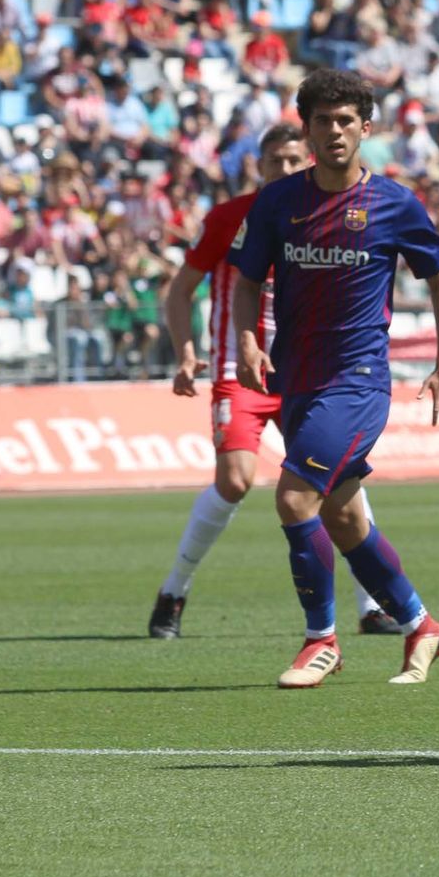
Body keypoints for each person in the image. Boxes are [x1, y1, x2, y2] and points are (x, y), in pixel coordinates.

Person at [230, 69, 439, 688]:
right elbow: (247, 279)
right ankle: (420, 625)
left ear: (366, 127)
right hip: (296, 380)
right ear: (305, 128)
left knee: (293, 497)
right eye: (321, 121)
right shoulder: (278, 202)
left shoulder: (392, 203)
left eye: (344, 120)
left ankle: (320, 639)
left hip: (358, 382)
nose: (333, 131)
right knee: (345, 519)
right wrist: (249, 339)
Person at [148, 123, 398, 640]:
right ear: (257, 165)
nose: (283, 170)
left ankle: (372, 606)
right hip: (240, 371)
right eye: (273, 162)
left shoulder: (323, 211)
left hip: (307, 369)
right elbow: (181, 291)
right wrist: (185, 352)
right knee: (236, 479)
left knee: (339, 479)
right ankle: (174, 592)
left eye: (291, 161)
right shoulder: (228, 218)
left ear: (305, 161)